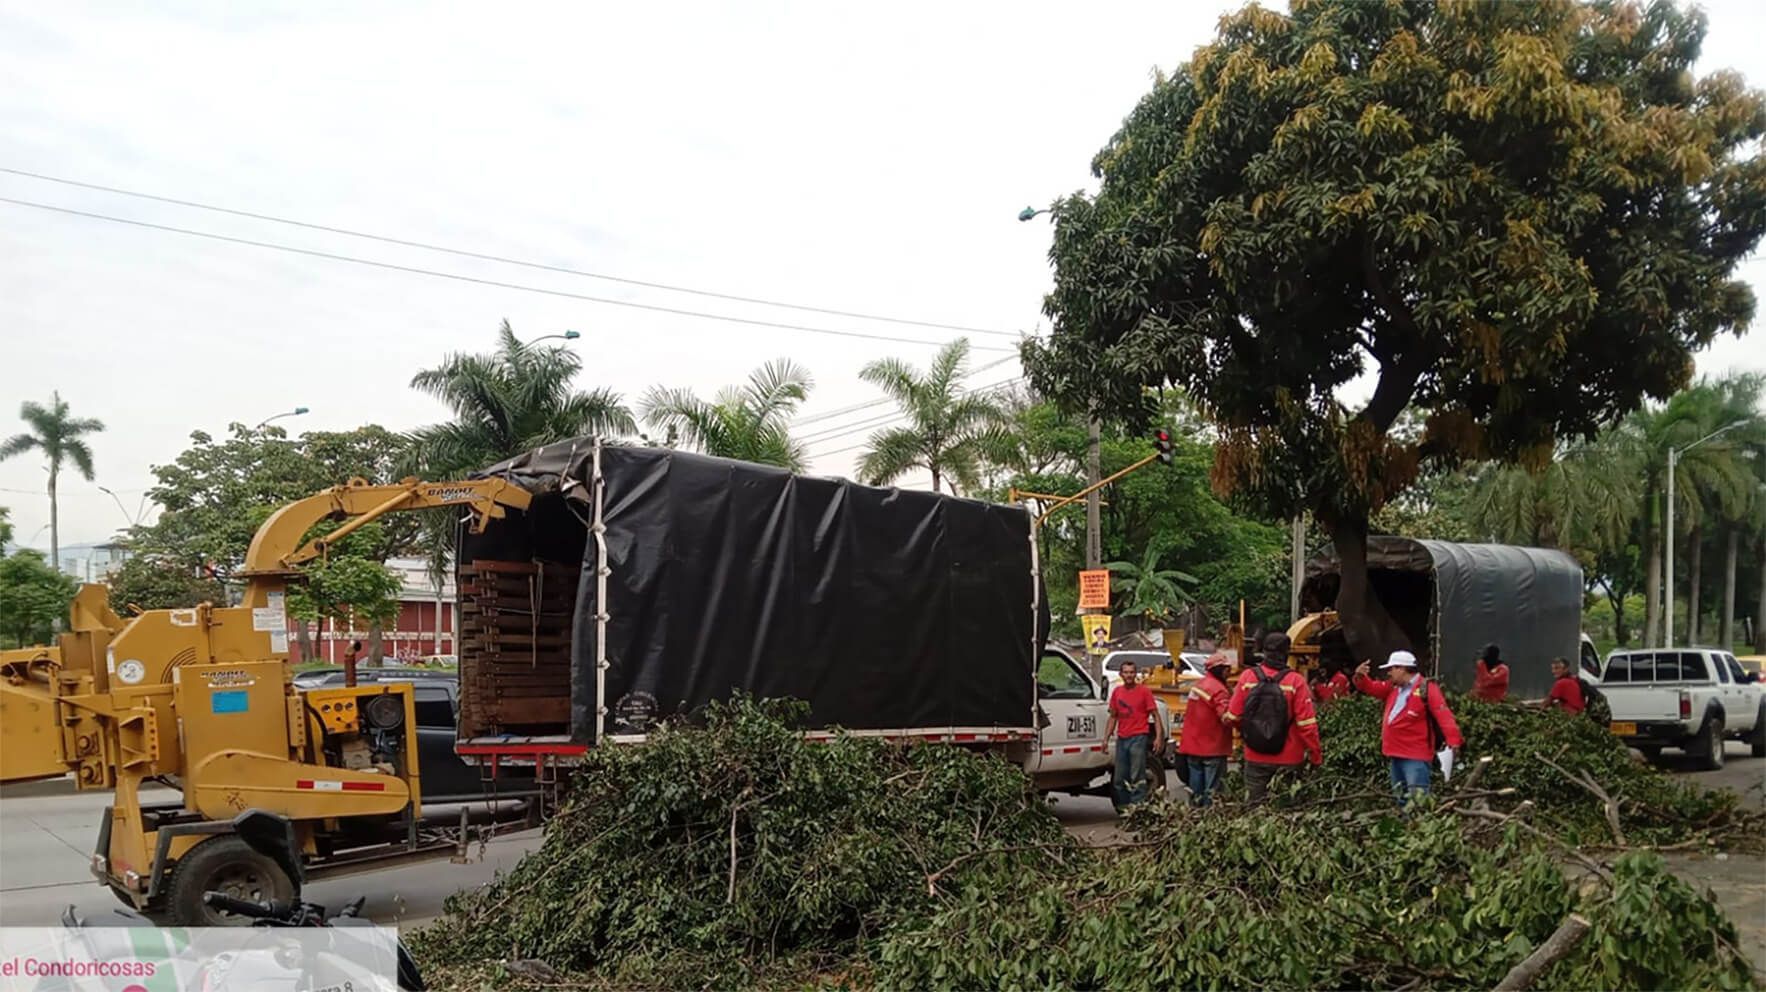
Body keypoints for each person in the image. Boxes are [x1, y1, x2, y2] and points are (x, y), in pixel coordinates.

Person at [1354, 651, 1464, 805]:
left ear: (1402, 669)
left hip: (1415, 757)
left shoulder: (1428, 689)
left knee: (1416, 800)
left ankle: (1418, 826)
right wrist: (1360, 677)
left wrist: (1454, 742)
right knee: (1401, 799)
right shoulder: (1393, 688)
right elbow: (1371, 688)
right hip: (1395, 754)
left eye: (1392, 668)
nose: (1389, 672)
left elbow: (1443, 715)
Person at [1225, 632, 1322, 802]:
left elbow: (1233, 716)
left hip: (1255, 756)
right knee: (1286, 812)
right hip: (1289, 758)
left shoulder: (1248, 677)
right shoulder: (1296, 681)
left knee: (1254, 810)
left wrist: (1251, 732)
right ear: (1286, 654)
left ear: (1264, 652)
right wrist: (1315, 755)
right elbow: (1307, 725)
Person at [1104, 659, 1163, 811]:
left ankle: (1137, 811)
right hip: (1122, 738)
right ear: (1121, 674)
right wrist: (1105, 739)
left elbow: (1156, 716)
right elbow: (1113, 716)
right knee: (1119, 779)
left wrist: (1158, 737)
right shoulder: (1117, 692)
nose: (1129, 675)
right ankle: (1124, 811)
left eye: (1131, 672)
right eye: (1126, 672)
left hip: (1139, 737)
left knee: (1137, 777)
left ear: (1135, 674)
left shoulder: (1144, 692)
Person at [1178, 652, 1233, 806]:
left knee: (1196, 790)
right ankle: (1209, 818)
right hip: (1212, 748)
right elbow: (1226, 717)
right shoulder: (1218, 690)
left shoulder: (1199, 685)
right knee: (1212, 791)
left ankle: (1195, 816)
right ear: (1219, 670)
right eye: (1226, 669)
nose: (1229, 672)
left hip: (1192, 746)